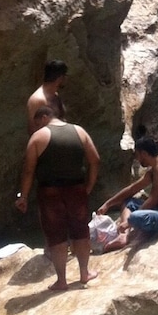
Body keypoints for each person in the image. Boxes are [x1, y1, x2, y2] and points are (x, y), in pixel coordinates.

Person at [15, 106, 100, 291]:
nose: (37, 128)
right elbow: (95, 160)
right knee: (80, 230)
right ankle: (84, 273)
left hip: (50, 192)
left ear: (44, 117)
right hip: (76, 189)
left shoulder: (38, 138)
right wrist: (89, 186)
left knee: (56, 234)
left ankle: (62, 280)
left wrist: (24, 196)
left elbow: (28, 170)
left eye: (38, 123)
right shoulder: (79, 131)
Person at [97, 137, 158, 249]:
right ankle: (123, 236)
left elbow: (153, 199)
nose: (137, 159)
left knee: (135, 217)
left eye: (137, 155)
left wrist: (129, 223)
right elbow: (133, 189)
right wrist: (108, 204)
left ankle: (129, 230)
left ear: (144, 153)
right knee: (129, 202)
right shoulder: (154, 168)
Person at [27, 60, 68, 134]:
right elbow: (33, 130)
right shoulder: (38, 100)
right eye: (65, 76)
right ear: (60, 78)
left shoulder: (55, 95)